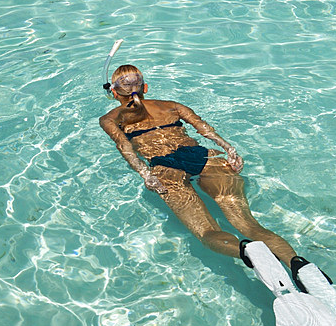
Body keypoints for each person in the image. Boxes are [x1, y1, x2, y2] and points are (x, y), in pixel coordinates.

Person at [99, 64, 299, 270]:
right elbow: (205, 130)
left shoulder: (109, 119)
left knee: (206, 233)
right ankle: (298, 264)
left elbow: (125, 148)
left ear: (114, 92)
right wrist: (229, 149)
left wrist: (145, 174)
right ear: (146, 87)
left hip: (165, 168)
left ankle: (246, 252)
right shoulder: (172, 105)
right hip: (204, 157)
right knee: (249, 225)